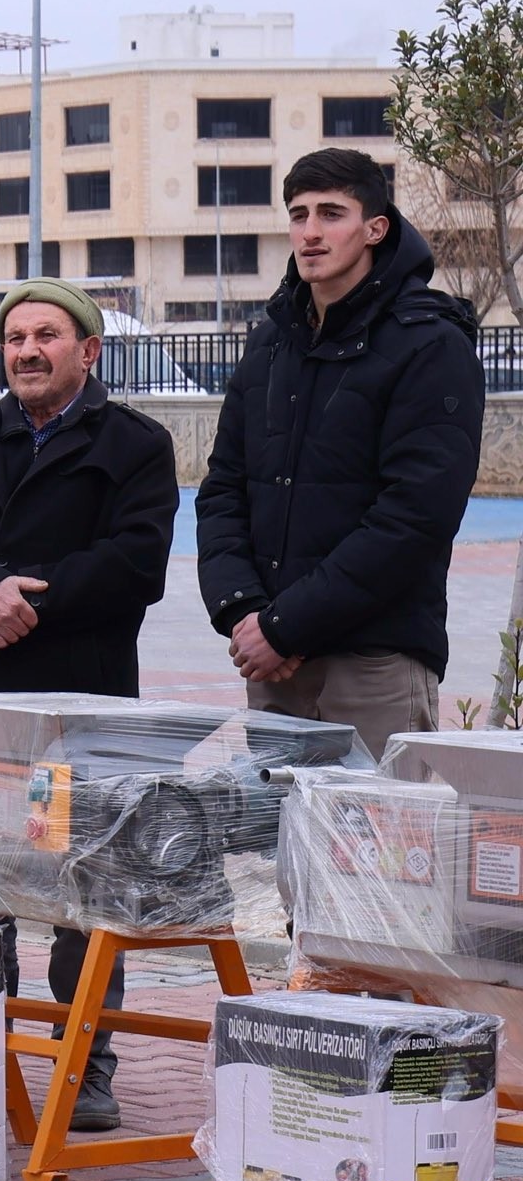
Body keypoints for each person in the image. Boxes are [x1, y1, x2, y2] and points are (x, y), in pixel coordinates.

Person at [0, 276, 180, 1132]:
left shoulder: (136, 443)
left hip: (75, 692)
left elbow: (136, 563)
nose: (26, 351)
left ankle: (88, 1060)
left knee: (79, 888)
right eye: (15, 338)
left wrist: (17, 610)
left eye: (46, 336)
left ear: (87, 351)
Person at [198, 148, 485, 761]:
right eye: (299, 214)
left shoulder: (430, 343)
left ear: (375, 228)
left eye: (332, 213)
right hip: (274, 665)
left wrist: (284, 627)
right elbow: (223, 488)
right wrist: (244, 613)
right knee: (282, 848)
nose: (310, 231)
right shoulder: (271, 341)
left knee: (376, 852)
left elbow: (414, 517)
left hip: (374, 660)